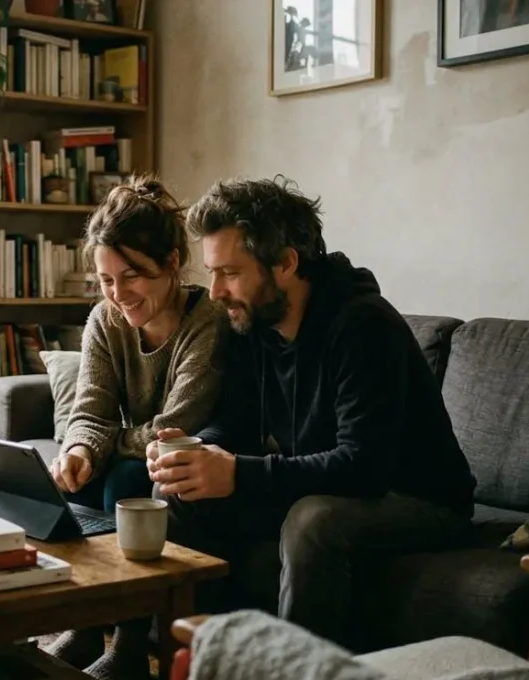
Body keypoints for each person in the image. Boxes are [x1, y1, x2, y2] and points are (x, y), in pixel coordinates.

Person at [146, 175, 478, 649]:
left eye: (230, 272)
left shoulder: (364, 325)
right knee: (176, 489)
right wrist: (199, 450)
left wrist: (238, 473)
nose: (215, 291)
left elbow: (363, 465)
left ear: (285, 262)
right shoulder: (252, 321)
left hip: (420, 501)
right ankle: (178, 655)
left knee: (313, 522)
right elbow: (237, 423)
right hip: (329, 486)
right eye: (213, 272)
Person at [44, 175, 229, 678]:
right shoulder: (105, 320)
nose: (118, 294)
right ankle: (83, 626)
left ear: (171, 263)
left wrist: (105, 441)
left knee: (127, 482)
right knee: (77, 480)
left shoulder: (208, 321)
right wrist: (80, 449)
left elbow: (176, 425)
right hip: (144, 456)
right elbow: (90, 410)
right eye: (106, 280)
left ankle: (127, 646)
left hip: (195, 461)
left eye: (132, 276)